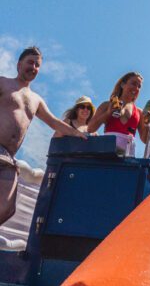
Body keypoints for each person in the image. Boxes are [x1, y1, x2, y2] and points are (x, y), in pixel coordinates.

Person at [0, 47, 86, 227]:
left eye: (37, 65)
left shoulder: (36, 99)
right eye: (30, 62)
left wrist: (77, 134)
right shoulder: (4, 83)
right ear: (19, 64)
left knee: (8, 208)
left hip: (8, 157)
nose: (33, 67)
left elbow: (54, 122)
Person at [87, 72, 150, 155]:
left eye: (139, 86)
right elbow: (90, 128)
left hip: (128, 157)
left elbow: (145, 140)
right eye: (133, 84)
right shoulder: (107, 105)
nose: (136, 88)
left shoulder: (139, 112)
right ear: (122, 85)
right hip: (108, 154)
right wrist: (108, 113)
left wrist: (147, 124)